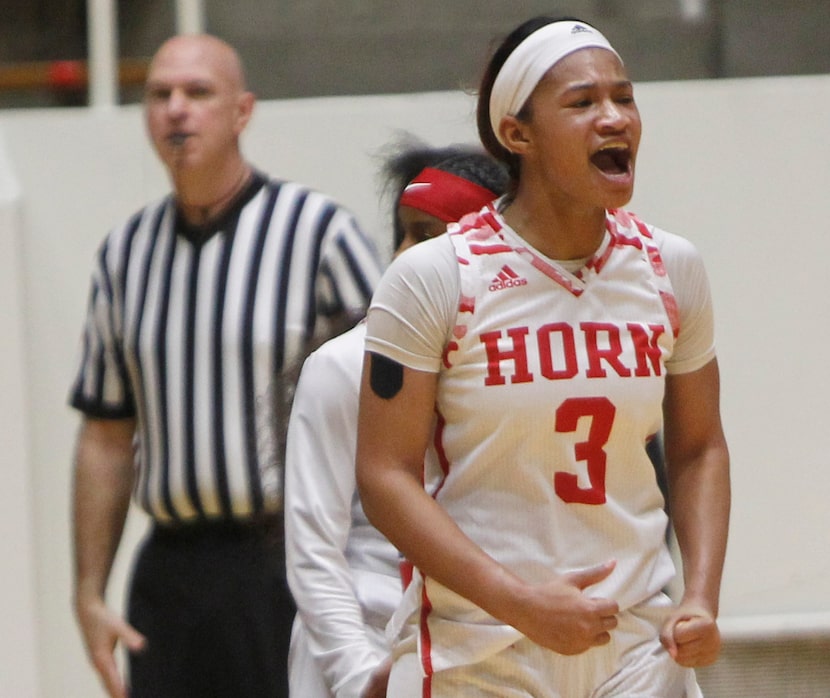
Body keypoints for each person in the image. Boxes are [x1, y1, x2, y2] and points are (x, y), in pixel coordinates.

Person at [356, 15, 730, 698]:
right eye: (583, 102)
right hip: (483, 646)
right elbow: (384, 477)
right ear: (517, 134)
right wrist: (519, 600)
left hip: (635, 645)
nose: (614, 118)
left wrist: (700, 594)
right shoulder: (438, 277)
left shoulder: (671, 269)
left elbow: (700, 447)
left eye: (624, 96)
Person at [69, 34, 382, 698]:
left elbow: (393, 400)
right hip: (171, 570)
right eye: (160, 95)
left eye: (197, 93)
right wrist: (89, 592)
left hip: (288, 558)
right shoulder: (123, 256)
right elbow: (104, 434)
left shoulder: (319, 233)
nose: (176, 110)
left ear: (242, 111)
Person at [284, 141, 509, 698]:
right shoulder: (341, 366)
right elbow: (313, 549)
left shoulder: (516, 368)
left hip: (482, 650)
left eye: (428, 236)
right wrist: (360, 674)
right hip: (364, 646)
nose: (407, 252)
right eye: (402, 233)